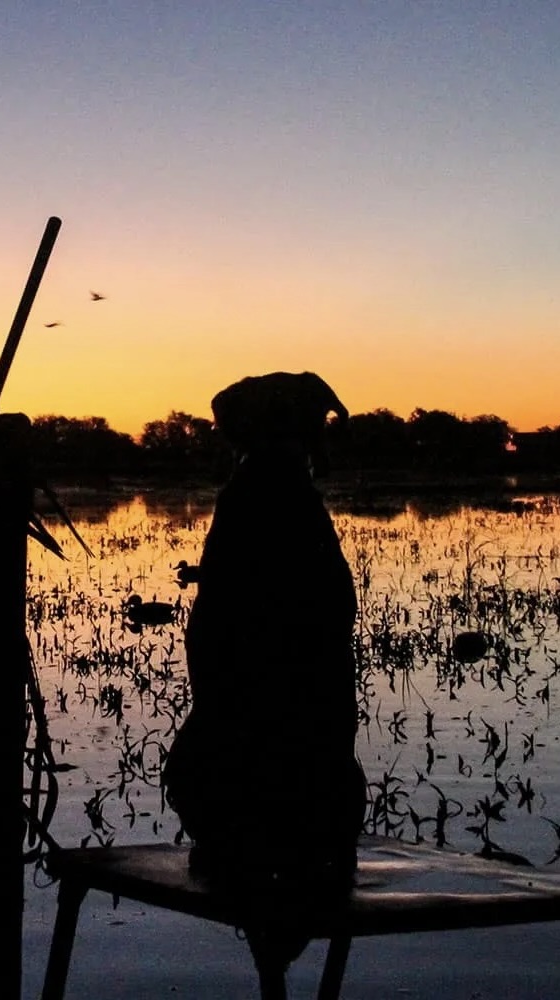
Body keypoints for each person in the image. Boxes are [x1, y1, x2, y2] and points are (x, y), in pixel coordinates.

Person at [162, 371, 367, 973]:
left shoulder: (249, 496)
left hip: (233, 811)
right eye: (318, 424)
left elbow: (219, 644)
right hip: (314, 814)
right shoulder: (287, 500)